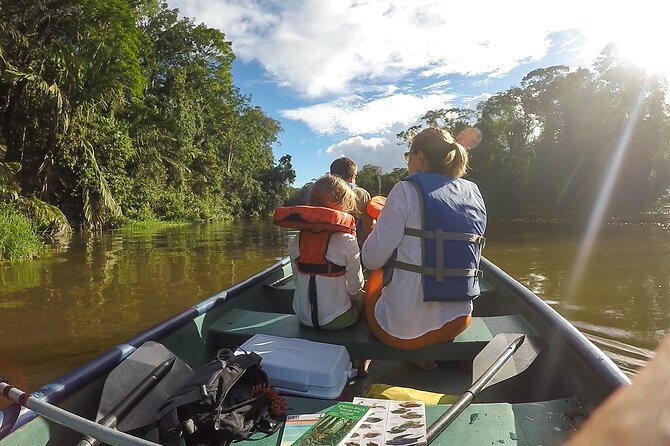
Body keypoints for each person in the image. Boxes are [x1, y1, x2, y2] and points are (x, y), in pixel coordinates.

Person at [361, 127, 486, 371]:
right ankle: (423, 353)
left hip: (404, 330)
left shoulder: (405, 190)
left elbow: (370, 259)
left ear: (419, 157)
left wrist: (375, 231)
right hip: (458, 321)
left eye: (409, 155)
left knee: (375, 277)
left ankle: (363, 362)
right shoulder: (474, 192)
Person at [285, 174, 365, 330]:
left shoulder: (296, 240)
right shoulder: (347, 240)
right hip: (337, 319)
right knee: (364, 295)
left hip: (302, 317)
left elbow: (297, 280)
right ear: (343, 206)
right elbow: (355, 287)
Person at [330, 157, 373, 245]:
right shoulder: (362, 194)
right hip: (350, 244)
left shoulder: (321, 191)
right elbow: (368, 226)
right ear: (352, 176)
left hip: (323, 244)